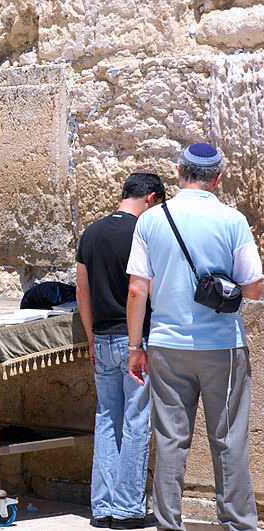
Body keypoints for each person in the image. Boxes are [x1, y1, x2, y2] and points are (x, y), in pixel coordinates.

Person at [126, 143, 262, 531]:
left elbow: (137, 289)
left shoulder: (151, 220)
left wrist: (137, 347)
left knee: (170, 439)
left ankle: (169, 524)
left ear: (180, 173)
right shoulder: (231, 219)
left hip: (167, 346)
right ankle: (237, 524)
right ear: (217, 178)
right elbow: (253, 289)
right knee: (229, 439)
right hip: (222, 346)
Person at [76, 172, 164, 529]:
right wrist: (135, 344)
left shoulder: (91, 233)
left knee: (106, 419)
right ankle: (127, 510)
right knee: (136, 422)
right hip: (134, 344)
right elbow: (139, 291)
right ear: (152, 199)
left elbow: (82, 291)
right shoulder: (144, 232)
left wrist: (91, 338)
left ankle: (102, 507)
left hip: (101, 338)